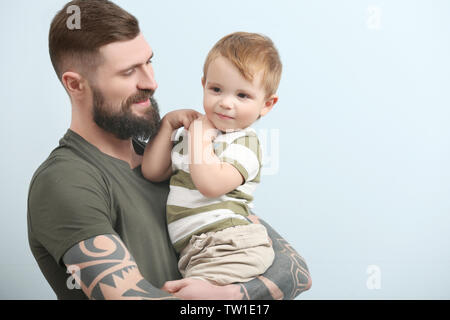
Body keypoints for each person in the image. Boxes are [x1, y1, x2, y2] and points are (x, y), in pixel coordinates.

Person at [27, 0, 311, 300]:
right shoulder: (66, 181)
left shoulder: (181, 157)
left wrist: (232, 295)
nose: (151, 82)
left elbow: (295, 271)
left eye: (149, 61)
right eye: (128, 72)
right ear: (76, 85)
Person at [142, 32, 281, 286]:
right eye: (216, 89)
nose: (226, 103)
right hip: (198, 251)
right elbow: (152, 171)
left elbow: (210, 184)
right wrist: (168, 126)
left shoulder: (245, 142)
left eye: (242, 95)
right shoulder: (195, 135)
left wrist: (198, 137)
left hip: (230, 244)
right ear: (204, 84)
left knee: (191, 297)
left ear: (266, 104)